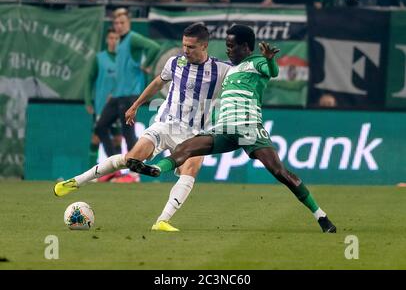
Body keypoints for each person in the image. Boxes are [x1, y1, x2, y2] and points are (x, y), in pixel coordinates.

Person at [128, 24, 337, 233]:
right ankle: (156, 169)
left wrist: (270, 60)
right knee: (186, 148)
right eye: (226, 45)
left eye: (231, 46)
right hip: (225, 129)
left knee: (279, 172)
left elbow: (271, 72)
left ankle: (321, 216)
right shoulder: (228, 69)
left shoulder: (256, 63)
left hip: (249, 129)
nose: (227, 49)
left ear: (245, 47)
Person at [54, 23, 232, 231]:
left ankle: (162, 221)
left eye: (191, 47)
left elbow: (246, 77)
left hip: (194, 135)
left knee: (191, 169)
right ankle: (76, 182)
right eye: (184, 45)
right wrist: (136, 105)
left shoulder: (221, 69)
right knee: (131, 159)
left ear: (204, 46)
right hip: (166, 125)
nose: (185, 50)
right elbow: (158, 83)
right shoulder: (175, 62)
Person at [93, 8, 159, 162]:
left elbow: (154, 47)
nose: (119, 25)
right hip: (117, 95)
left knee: (128, 135)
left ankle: (135, 170)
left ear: (129, 23)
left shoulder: (132, 38)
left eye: (122, 22)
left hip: (129, 95)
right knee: (101, 127)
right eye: (116, 23)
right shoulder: (120, 42)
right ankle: (113, 165)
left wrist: (145, 64)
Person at [84, 28, 126, 179]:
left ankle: (116, 174)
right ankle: (91, 175)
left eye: (117, 38)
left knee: (117, 139)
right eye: (111, 38)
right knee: (96, 138)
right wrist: (88, 100)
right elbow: (89, 79)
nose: (114, 41)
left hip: (119, 106)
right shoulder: (99, 58)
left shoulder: (124, 59)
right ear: (107, 40)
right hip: (102, 105)